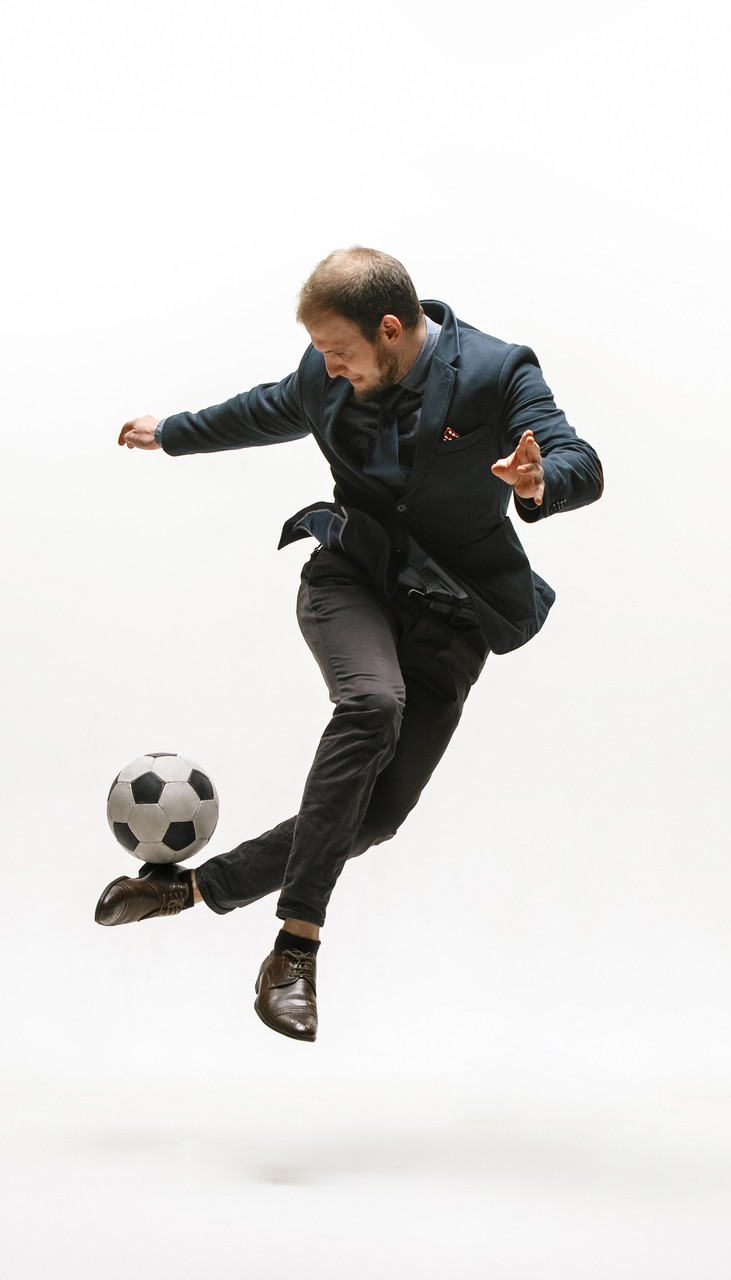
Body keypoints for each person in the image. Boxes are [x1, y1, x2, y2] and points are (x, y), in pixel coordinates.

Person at [96, 247, 603, 1041]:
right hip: (353, 577)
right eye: (321, 355)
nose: (327, 370)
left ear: (392, 330)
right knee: (370, 703)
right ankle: (295, 950)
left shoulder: (498, 372)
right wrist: (173, 434)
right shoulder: (325, 371)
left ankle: (187, 892)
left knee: (375, 816)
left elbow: (577, 456)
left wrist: (540, 481)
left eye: (340, 354)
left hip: (452, 613)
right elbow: (269, 405)